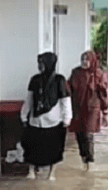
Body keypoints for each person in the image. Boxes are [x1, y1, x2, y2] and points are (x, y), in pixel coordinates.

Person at [20, 52, 72, 180]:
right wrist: (24, 115)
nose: (40, 66)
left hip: (54, 121)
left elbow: (65, 100)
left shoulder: (59, 80)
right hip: (36, 120)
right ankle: (31, 171)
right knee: (33, 147)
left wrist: (67, 118)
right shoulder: (35, 79)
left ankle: (51, 173)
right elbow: (30, 99)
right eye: (39, 63)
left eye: (42, 63)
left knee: (54, 148)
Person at [68, 50, 108, 171]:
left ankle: (90, 162)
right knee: (79, 134)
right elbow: (69, 88)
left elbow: (103, 94)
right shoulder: (76, 73)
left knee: (88, 134)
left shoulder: (98, 74)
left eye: (87, 59)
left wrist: (105, 112)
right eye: (83, 59)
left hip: (92, 109)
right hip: (77, 108)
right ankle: (84, 159)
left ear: (92, 61)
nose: (84, 62)